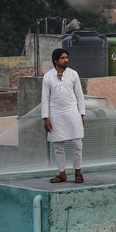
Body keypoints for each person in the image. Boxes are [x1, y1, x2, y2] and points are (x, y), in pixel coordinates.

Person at [42, 48, 86, 183]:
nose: (66, 60)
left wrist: (82, 114)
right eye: (62, 58)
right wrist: (46, 117)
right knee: (58, 146)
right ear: (55, 60)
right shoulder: (48, 77)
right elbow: (45, 98)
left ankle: (78, 172)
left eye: (66, 57)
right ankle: (62, 174)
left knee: (77, 143)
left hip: (72, 112)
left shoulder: (73, 74)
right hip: (56, 113)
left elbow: (79, 95)